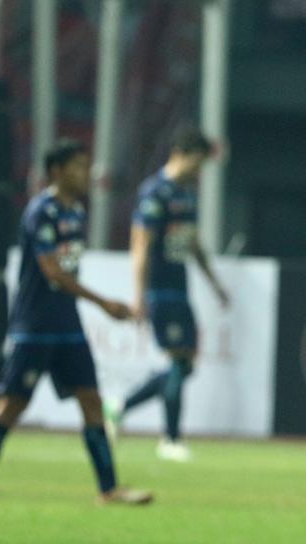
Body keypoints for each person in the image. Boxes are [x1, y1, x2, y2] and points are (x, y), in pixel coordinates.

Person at [0, 139, 151, 505]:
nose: (87, 174)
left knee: (92, 401)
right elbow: (53, 272)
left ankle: (109, 489)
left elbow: (66, 270)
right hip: (34, 326)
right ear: (57, 172)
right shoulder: (41, 212)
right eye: (79, 167)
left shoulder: (76, 213)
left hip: (67, 326)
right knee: (13, 404)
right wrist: (103, 303)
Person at [106, 127, 229, 463]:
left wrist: (214, 283)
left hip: (180, 287)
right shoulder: (155, 192)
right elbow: (140, 245)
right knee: (178, 360)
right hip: (160, 289)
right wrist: (139, 295)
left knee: (185, 365)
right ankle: (170, 439)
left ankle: (120, 406)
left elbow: (191, 243)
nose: (199, 170)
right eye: (198, 162)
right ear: (181, 153)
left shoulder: (186, 195)